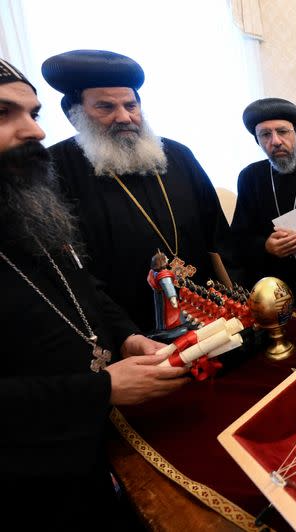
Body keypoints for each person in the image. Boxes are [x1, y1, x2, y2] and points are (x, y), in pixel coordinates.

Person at [0, 58, 188, 527]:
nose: (33, 132)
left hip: (90, 449)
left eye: (32, 114)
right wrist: (101, 389)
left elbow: (81, 289)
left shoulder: (23, 202)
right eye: (4, 114)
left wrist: (125, 336)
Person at [41, 50, 237, 331]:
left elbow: (218, 236)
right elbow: (68, 271)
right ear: (75, 115)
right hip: (128, 330)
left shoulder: (178, 155)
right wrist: (120, 332)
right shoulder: (56, 168)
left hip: (207, 313)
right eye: (106, 108)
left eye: (131, 106)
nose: (124, 117)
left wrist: (236, 301)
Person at [231, 97, 296, 314]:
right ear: (258, 140)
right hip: (272, 286)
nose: (275, 141)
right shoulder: (250, 177)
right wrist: (265, 245)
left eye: (282, 131)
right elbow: (238, 239)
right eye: (265, 134)